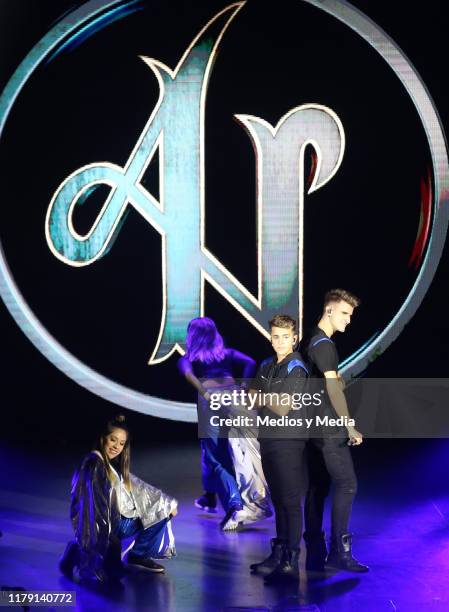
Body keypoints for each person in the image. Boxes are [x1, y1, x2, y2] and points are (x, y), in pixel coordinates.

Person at [178, 316, 271, 530]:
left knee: (215, 456)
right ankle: (232, 499)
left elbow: (188, 374)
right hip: (233, 397)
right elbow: (250, 362)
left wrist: (205, 392)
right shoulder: (227, 354)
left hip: (210, 400)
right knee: (240, 450)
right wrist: (244, 387)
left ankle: (235, 503)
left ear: (192, 336)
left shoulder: (189, 358)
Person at [59, 415, 177, 582]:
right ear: (102, 438)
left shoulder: (106, 463)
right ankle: (131, 555)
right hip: (105, 527)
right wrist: (106, 547)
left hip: (112, 522)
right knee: (161, 511)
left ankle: (77, 551)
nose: (116, 447)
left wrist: (166, 501)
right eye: (113, 440)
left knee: (163, 506)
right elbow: (95, 511)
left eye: (121, 443)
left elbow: (136, 486)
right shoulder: (95, 465)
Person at [300, 288, 369, 573]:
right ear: (329, 311)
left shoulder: (309, 341)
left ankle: (315, 553)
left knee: (317, 488)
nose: (348, 321)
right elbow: (331, 386)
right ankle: (339, 554)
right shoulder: (325, 345)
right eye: (345, 314)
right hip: (328, 427)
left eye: (350, 316)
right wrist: (349, 425)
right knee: (347, 483)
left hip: (310, 427)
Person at [249, 314, 309, 585]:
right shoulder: (266, 364)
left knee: (289, 501)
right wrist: (267, 398)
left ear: (294, 338)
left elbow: (284, 407)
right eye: (276, 336)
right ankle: (279, 553)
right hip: (269, 438)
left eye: (286, 337)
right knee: (278, 500)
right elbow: (252, 399)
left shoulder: (297, 367)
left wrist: (265, 398)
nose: (280, 341)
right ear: (270, 337)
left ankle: (291, 561)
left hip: (289, 440)